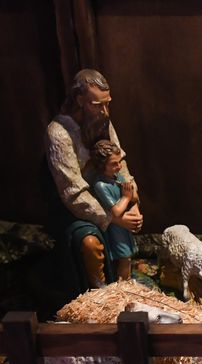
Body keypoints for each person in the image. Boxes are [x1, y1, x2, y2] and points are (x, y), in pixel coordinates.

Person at [45, 69, 143, 291]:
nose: (105, 111)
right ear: (80, 100)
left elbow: (120, 163)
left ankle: (124, 280)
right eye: (98, 105)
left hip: (110, 195)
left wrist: (133, 200)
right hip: (78, 209)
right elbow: (73, 192)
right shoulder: (58, 133)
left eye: (107, 104)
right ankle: (100, 292)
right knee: (90, 243)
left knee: (127, 230)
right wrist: (112, 218)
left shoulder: (102, 121)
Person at [90, 140, 140, 281]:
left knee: (128, 257)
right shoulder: (101, 185)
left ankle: (126, 281)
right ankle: (122, 286)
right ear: (102, 165)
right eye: (114, 164)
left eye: (119, 162)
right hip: (116, 229)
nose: (119, 167)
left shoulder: (118, 177)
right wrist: (126, 197)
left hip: (125, 227)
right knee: (124, 258)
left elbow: (134, 197)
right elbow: (116, 211)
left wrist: (132, 200)